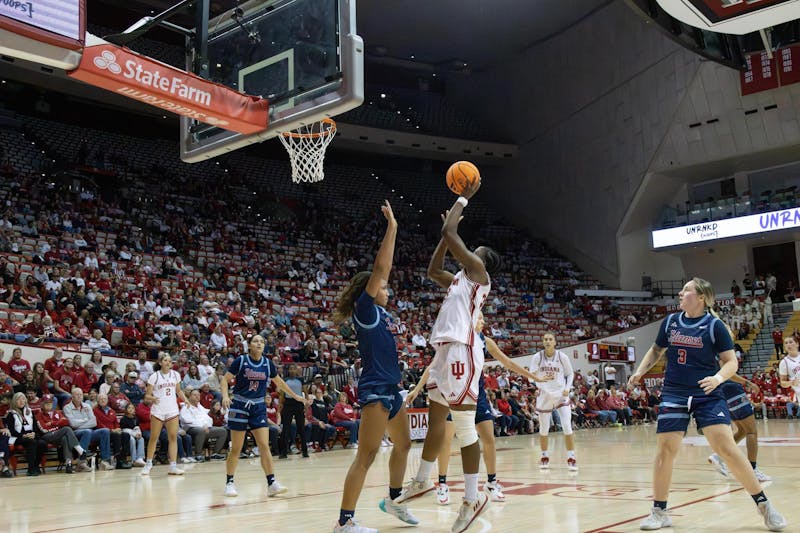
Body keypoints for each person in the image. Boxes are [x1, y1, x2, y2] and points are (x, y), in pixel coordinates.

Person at [629, 277, 786, 531]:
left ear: (701, 297)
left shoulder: (715, 326)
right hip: (675, 392)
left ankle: (764, 505)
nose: (680, 293)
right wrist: (640, 371)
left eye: (686, 290)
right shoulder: (670, 322)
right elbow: (656, 350)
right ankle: (659, 511)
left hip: (707, 392)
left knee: (726, 448)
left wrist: (717, 378)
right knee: (665, 450)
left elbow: (730, 361)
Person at [399, 184, 502, 533]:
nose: (471, 251)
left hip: (462, 348)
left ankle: (473, 498)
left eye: (476, 251)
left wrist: (462, 199)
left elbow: (449, 231)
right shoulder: (459, 279)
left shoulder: (478, 276)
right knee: (436, 421)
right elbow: (432, 270)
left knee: (462, 428)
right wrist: (446, 238)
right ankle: (424, 480)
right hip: (444, 350)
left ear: (482, 261)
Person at [332, 201, 418, 533]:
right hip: (376, 391)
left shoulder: (381, 314)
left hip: (393, 390)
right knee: (365, 457)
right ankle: (344, 522)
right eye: (382, 287)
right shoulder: (365, 310)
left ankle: (394, 502)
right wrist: (392, 227)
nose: (387, 289)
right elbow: (381, 268)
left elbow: (383, 276)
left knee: (405, 445)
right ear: (370, 290)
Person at [407, 312, 542, 506]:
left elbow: (508, 362)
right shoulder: (456, 340)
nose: (483, 321)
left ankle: (491, 482)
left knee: (489, 438)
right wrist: (417, 389)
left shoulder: (485, 341)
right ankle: (442, 484)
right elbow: (433, 366)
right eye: (479, 318)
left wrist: (533, 377)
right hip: (455, 394)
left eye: (483, 319)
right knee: (446, 439)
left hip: (477, 394)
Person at [222, 335, 306, 498]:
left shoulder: (267, 364)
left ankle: (271, 483)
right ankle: (229, 482)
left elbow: (279, 383)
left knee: (264, 446)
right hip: (240, 405)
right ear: (250, 346)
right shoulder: (241, 361)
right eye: (256, 341)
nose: (259, 343)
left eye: (262, 341)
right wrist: (225, 396)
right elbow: (225, 380)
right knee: (237, 449)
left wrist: (295, 396)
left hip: (258, 406)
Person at [529, 331, 578, 471]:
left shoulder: (562, 357)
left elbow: (570, 374)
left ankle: (571, 457)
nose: (548, 341)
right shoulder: (537, 357)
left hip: (561, 395)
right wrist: (538, 382)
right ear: (543, 342)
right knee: (544, 429)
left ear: (555, 342)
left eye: (550, 339)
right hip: (544, 395)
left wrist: (567, 388)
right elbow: (530, 376)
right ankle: (544, 456)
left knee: (567, 426)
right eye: (545, 339)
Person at [707, 375, 771, 482]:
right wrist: (748, 383)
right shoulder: (721, 358)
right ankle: (752, 469)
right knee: (752, 432)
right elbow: (727, 371)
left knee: (743, 431)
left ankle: (718, 456)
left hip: (723, 392)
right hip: (732, 389)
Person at [141, 352, 187, 476]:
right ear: (160, 362)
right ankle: (148, 464)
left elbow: (178, 390)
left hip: (172, 409)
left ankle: (173, 466)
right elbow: (147, 396)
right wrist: (153, 399)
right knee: (154, 438)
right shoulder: (154, 376)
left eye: (170, 360)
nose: (168, 362)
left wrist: (186, 400)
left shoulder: (176, 375)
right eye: (165, 360)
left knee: (173, 438)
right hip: (158, 410)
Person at [36, 394, 89, 473]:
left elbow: (66, 422)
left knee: (65, 438)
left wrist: (52, 423)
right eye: (46, 403)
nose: (49, 405)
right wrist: (58, 426)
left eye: (50, 403)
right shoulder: (39, 415)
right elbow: (43, 429)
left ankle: (68, 465)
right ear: (42, 405)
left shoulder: (57, 412)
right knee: (67, 429)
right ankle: (80, 451)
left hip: (58, 435)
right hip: (47, 436)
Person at [5, 392, 47, 476]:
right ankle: (31, 469)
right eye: (18, 399)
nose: (21, 401)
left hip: (31, 435)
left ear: (25, 401)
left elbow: (35, 426)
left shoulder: (29, 411)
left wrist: (33, 433)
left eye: (23, 399)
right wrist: (23, 435)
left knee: (42, 443)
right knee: (32, 442)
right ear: (14, 401)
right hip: (17, 437)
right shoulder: (10, 414)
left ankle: (35, 466)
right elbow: (11, 430)